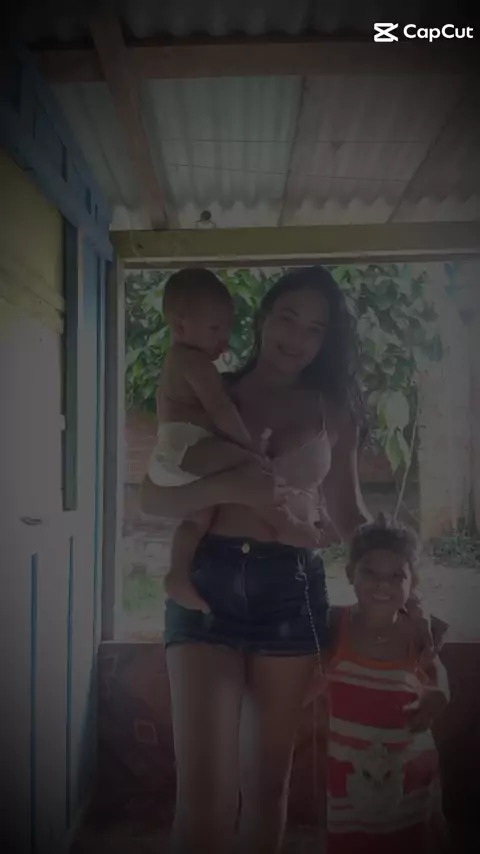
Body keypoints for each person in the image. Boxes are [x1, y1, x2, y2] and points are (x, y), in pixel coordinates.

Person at [139, 267, 433, 854]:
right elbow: (153, 495)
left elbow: (346, 512)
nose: (296, 337)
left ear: (327, 341)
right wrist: (237, 490)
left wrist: (405, 583)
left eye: (315, 329)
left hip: (291, 593)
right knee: (204, 804)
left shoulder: (334, 410)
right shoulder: (208, 386)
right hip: (206, 586)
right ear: (262, 318)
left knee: (267, 789)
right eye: (287, 318)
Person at [148, 268, 325, 613]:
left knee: (198, 517)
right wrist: (250, 450)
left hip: (181, 454)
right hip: (185, 451)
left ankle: (177, 572)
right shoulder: (199, 366)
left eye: (314, 329)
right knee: (254, 469)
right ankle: (286, 524)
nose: (224, 340)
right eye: (215, 329)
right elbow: (220, 410)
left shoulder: (328, 405)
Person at [323, 514, 449, 854]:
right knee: (352, 841)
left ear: (413, 580)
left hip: (408, 766)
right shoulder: (335, 624)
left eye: (396, 576)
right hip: (350, 770)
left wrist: (438, 695)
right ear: (350, 573)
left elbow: (436, 673)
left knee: (411, 839)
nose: (383, 585)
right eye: (370, 573)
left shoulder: (417, 632)